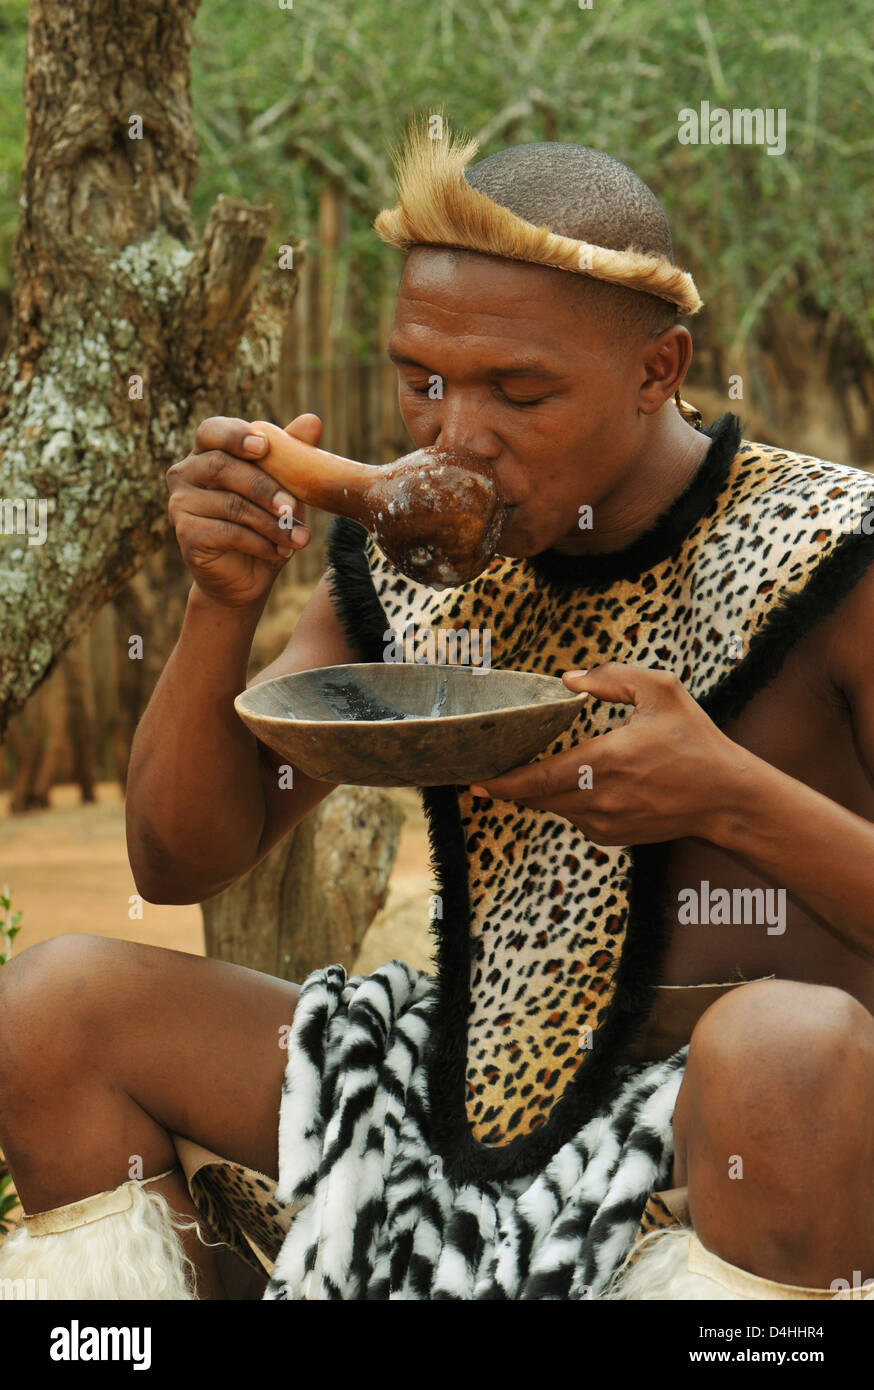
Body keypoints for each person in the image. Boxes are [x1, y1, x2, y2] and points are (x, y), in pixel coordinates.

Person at [1, 120, 873, 1301]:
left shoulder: (834, 550)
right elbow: (177, 860)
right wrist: (222, 602)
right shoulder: (396, 573)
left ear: (657, 371)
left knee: (785, 1050)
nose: (456, 433)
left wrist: (730, 796)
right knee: (54, 1007)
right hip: (463, 1074)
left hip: (756, 1118)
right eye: (421, 379)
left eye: (520, 390)